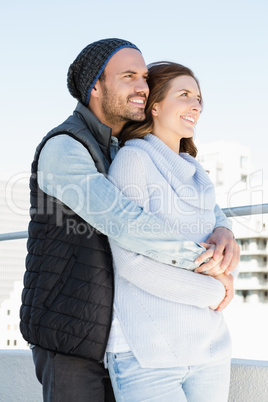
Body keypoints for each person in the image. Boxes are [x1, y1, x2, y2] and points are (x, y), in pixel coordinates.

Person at [19, 39, 238, 402]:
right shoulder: (65, 147)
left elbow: (188, 196)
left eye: (145, 77)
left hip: (115, 330)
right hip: (69, 329)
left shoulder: (120, 146)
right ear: (95, 87)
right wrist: (206, 264)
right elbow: (124, 221)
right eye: (129, 76)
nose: (142, 85)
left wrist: (223, 227)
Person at [106, 61, 237, 402]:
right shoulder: (133, 162)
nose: (196, 105)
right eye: (184, 95)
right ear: (154, 105)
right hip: (147, 354)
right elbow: (131, 263)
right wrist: (214, 292)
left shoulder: (195, 170)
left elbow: (212, 232)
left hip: (209, 350)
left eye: (198, 97)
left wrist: (226, 232)